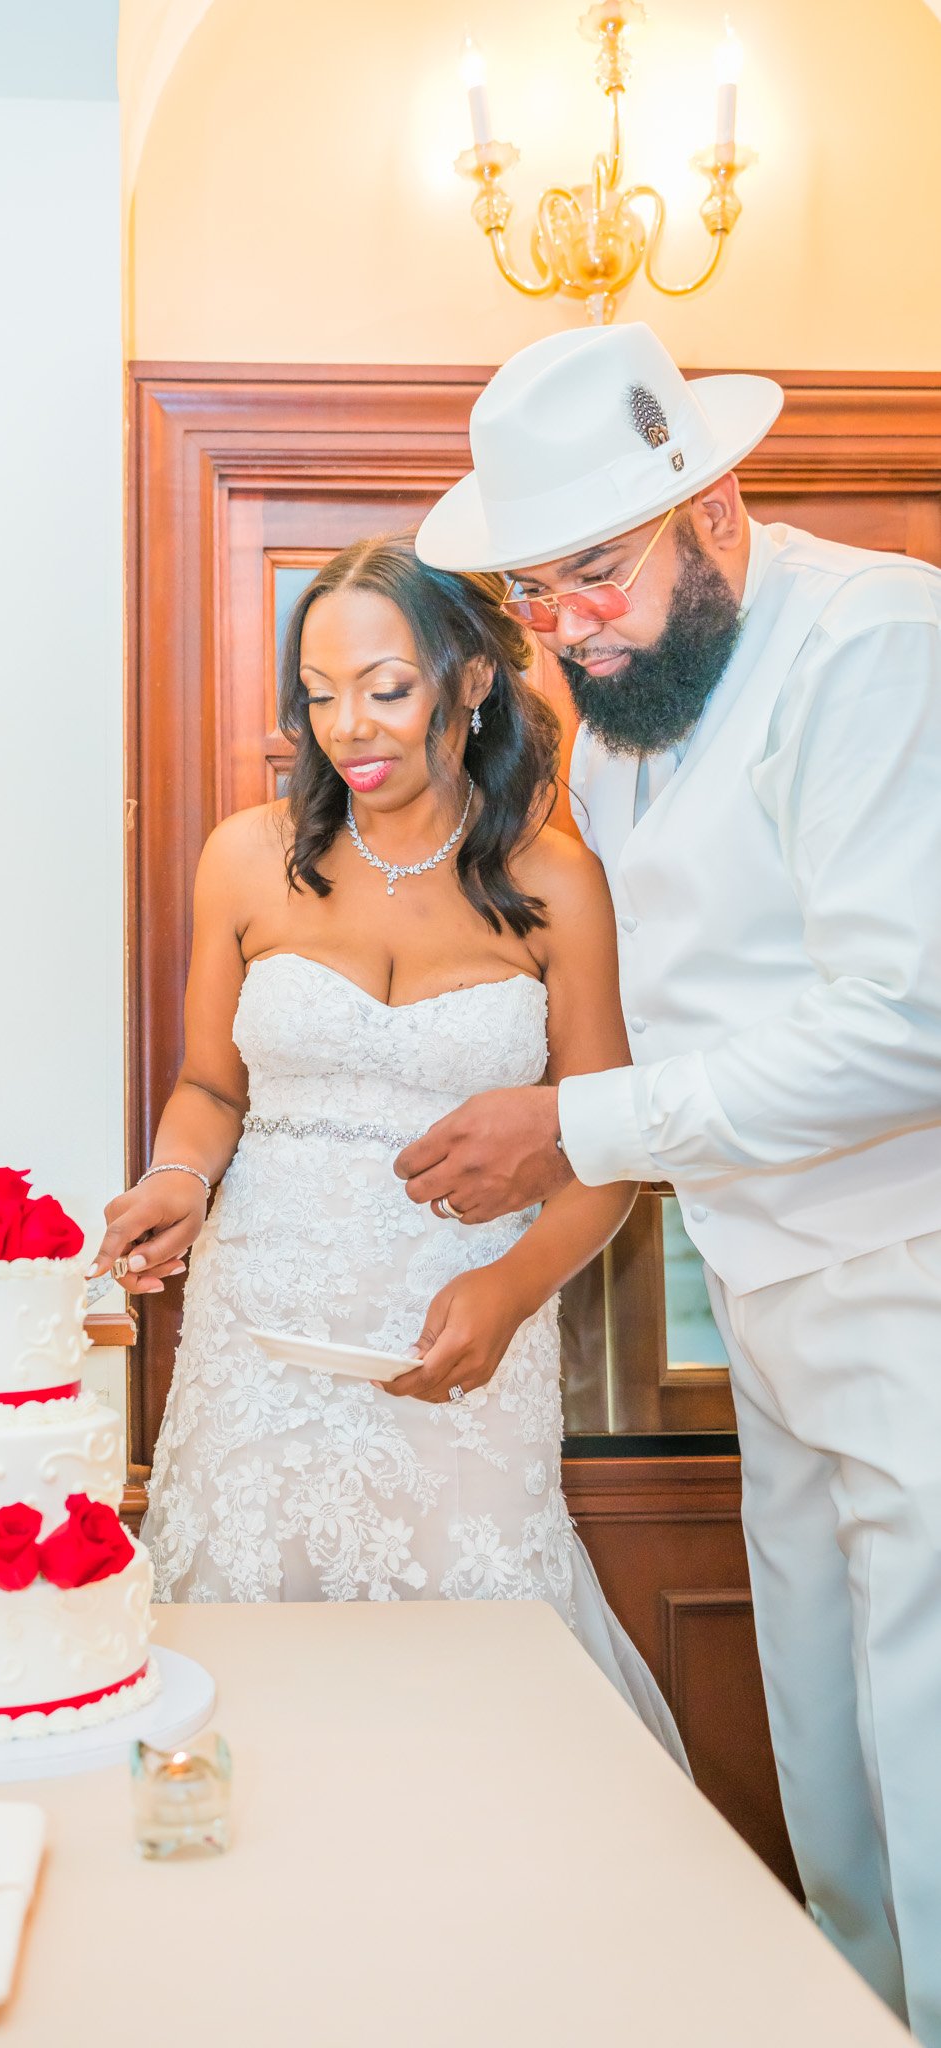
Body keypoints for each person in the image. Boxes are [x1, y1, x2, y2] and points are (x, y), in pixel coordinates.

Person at [408, 320, 941, 2043]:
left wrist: (576, 1124)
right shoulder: (640, 690)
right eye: (534, 597)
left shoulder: (873, 647)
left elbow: (910, 1024)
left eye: (594, 576)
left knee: (931, 1768)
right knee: (829, 1760)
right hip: (771, 1294)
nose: (567, 629)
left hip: (916, 1282)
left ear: (710, 504)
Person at [93, 534, 685, 1759]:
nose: (348, 727)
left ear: (470, 678)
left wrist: (510, 1291)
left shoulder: (559, 881)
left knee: (471, 1703)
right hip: (258, 1342)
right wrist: (174, 1177)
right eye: (317, 695)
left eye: (385, 686)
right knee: (246, 1678)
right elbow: (211, 1082)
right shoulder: (245, 857)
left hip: (464, 1349)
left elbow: (607, 1148)